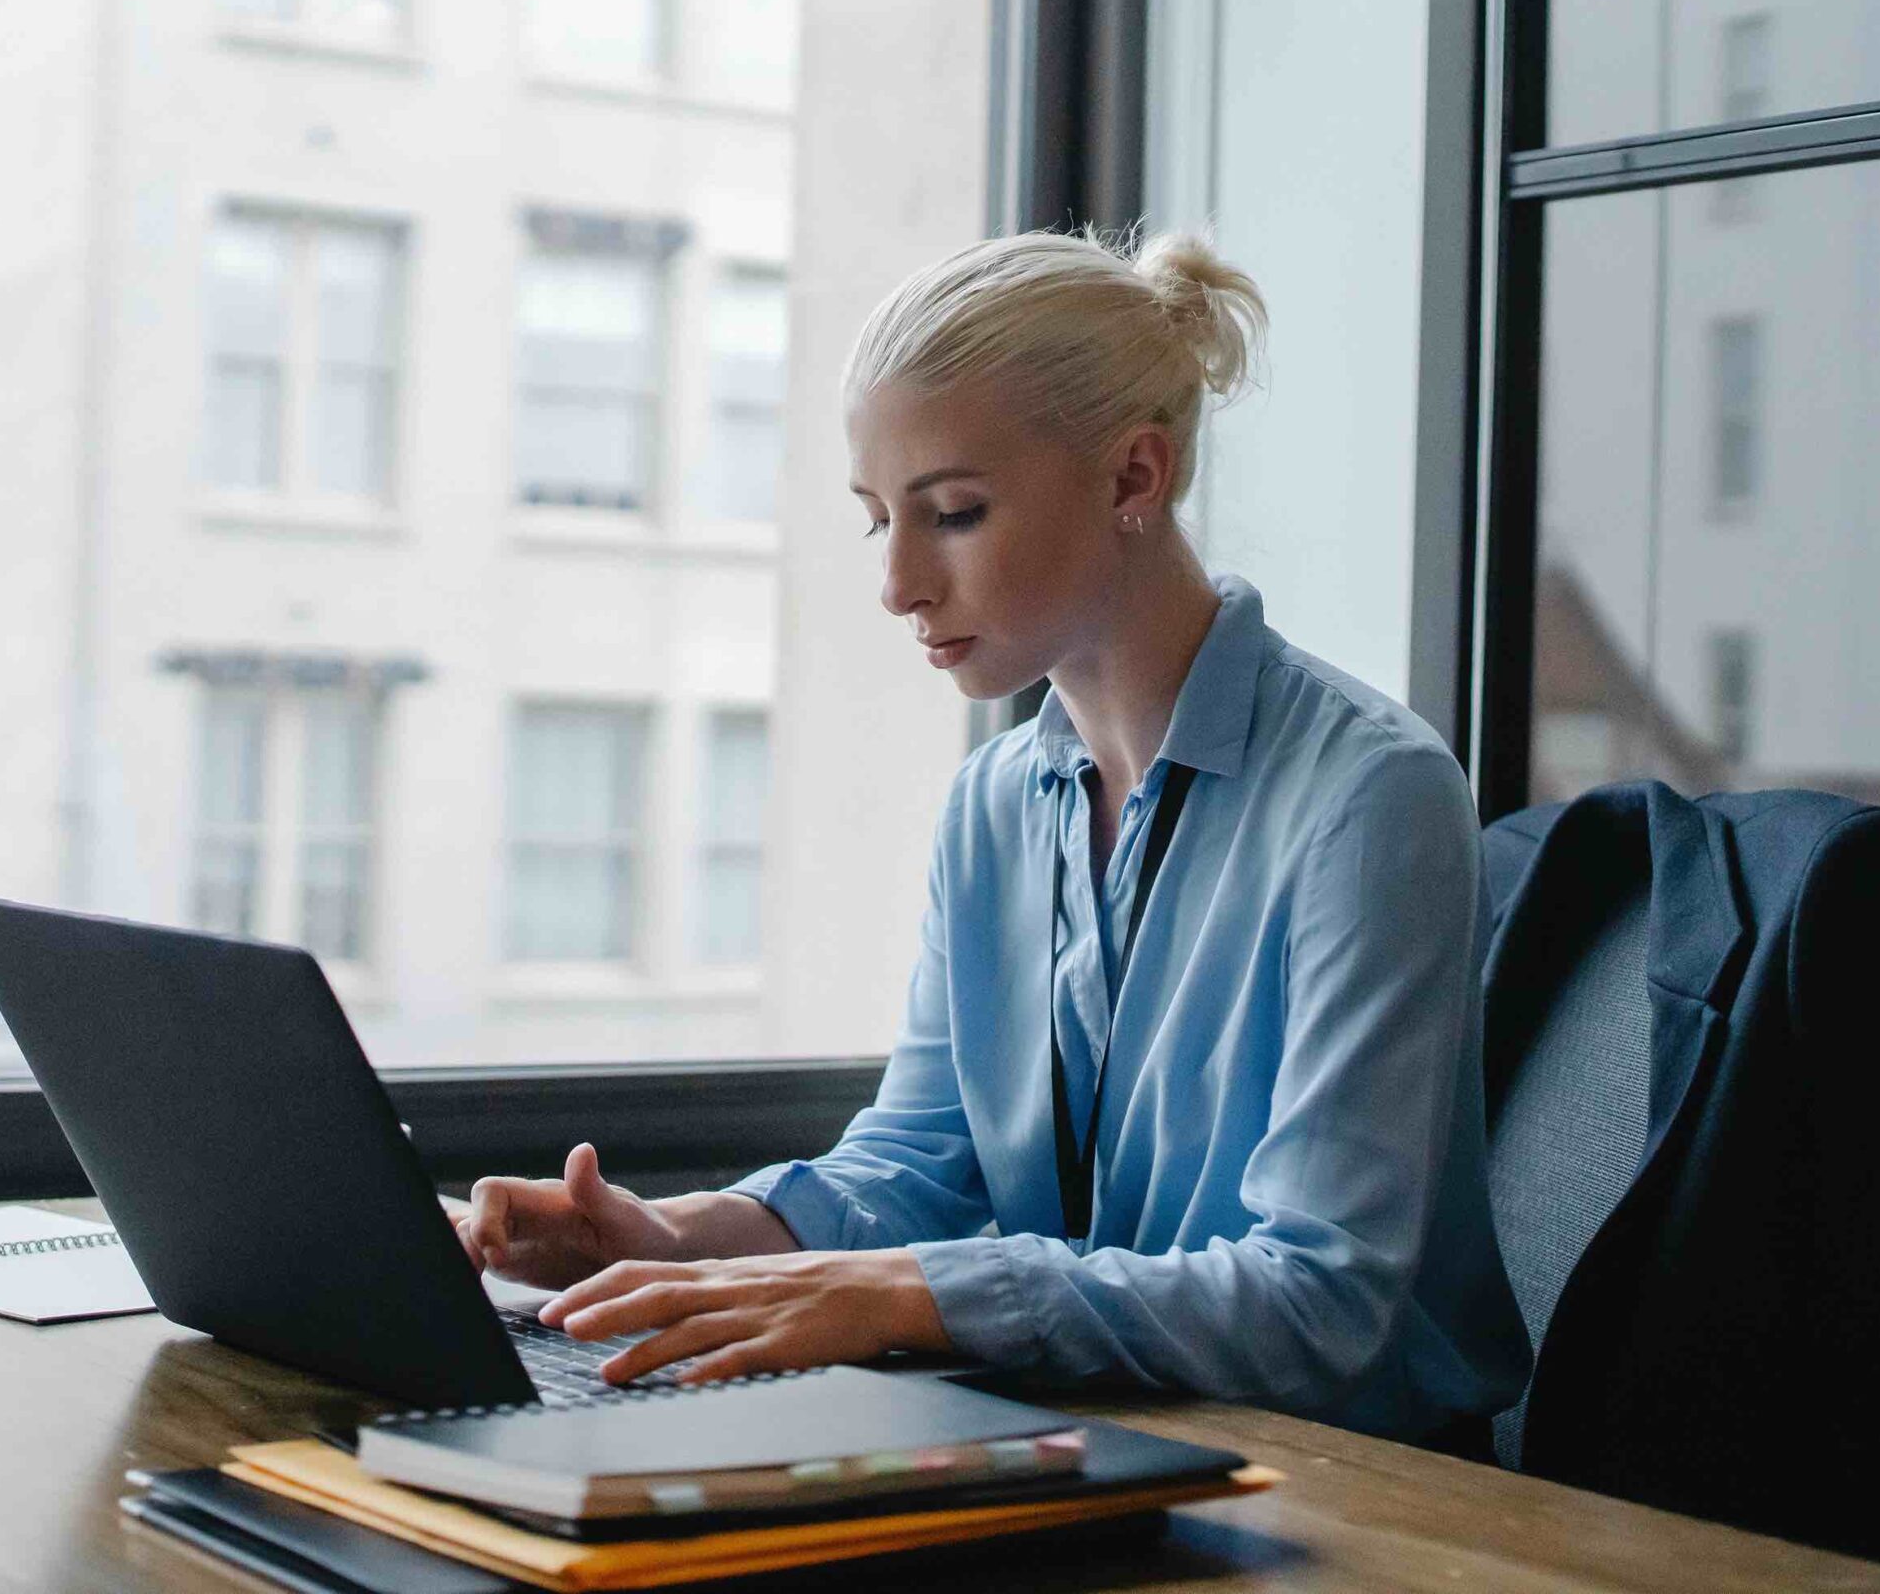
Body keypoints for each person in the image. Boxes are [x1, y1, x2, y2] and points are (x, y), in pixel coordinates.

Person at [455, 229, 1529, 1443]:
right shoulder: (994, 804)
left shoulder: (1369, 797)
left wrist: (904, 1294)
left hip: (1352, 1495)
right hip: (1088, 1438)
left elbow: (1318, 1302)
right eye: (878, 521)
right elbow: (923, 1162)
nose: (900, 582)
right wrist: (683, 1236)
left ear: (1134, 479)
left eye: (953, 513)